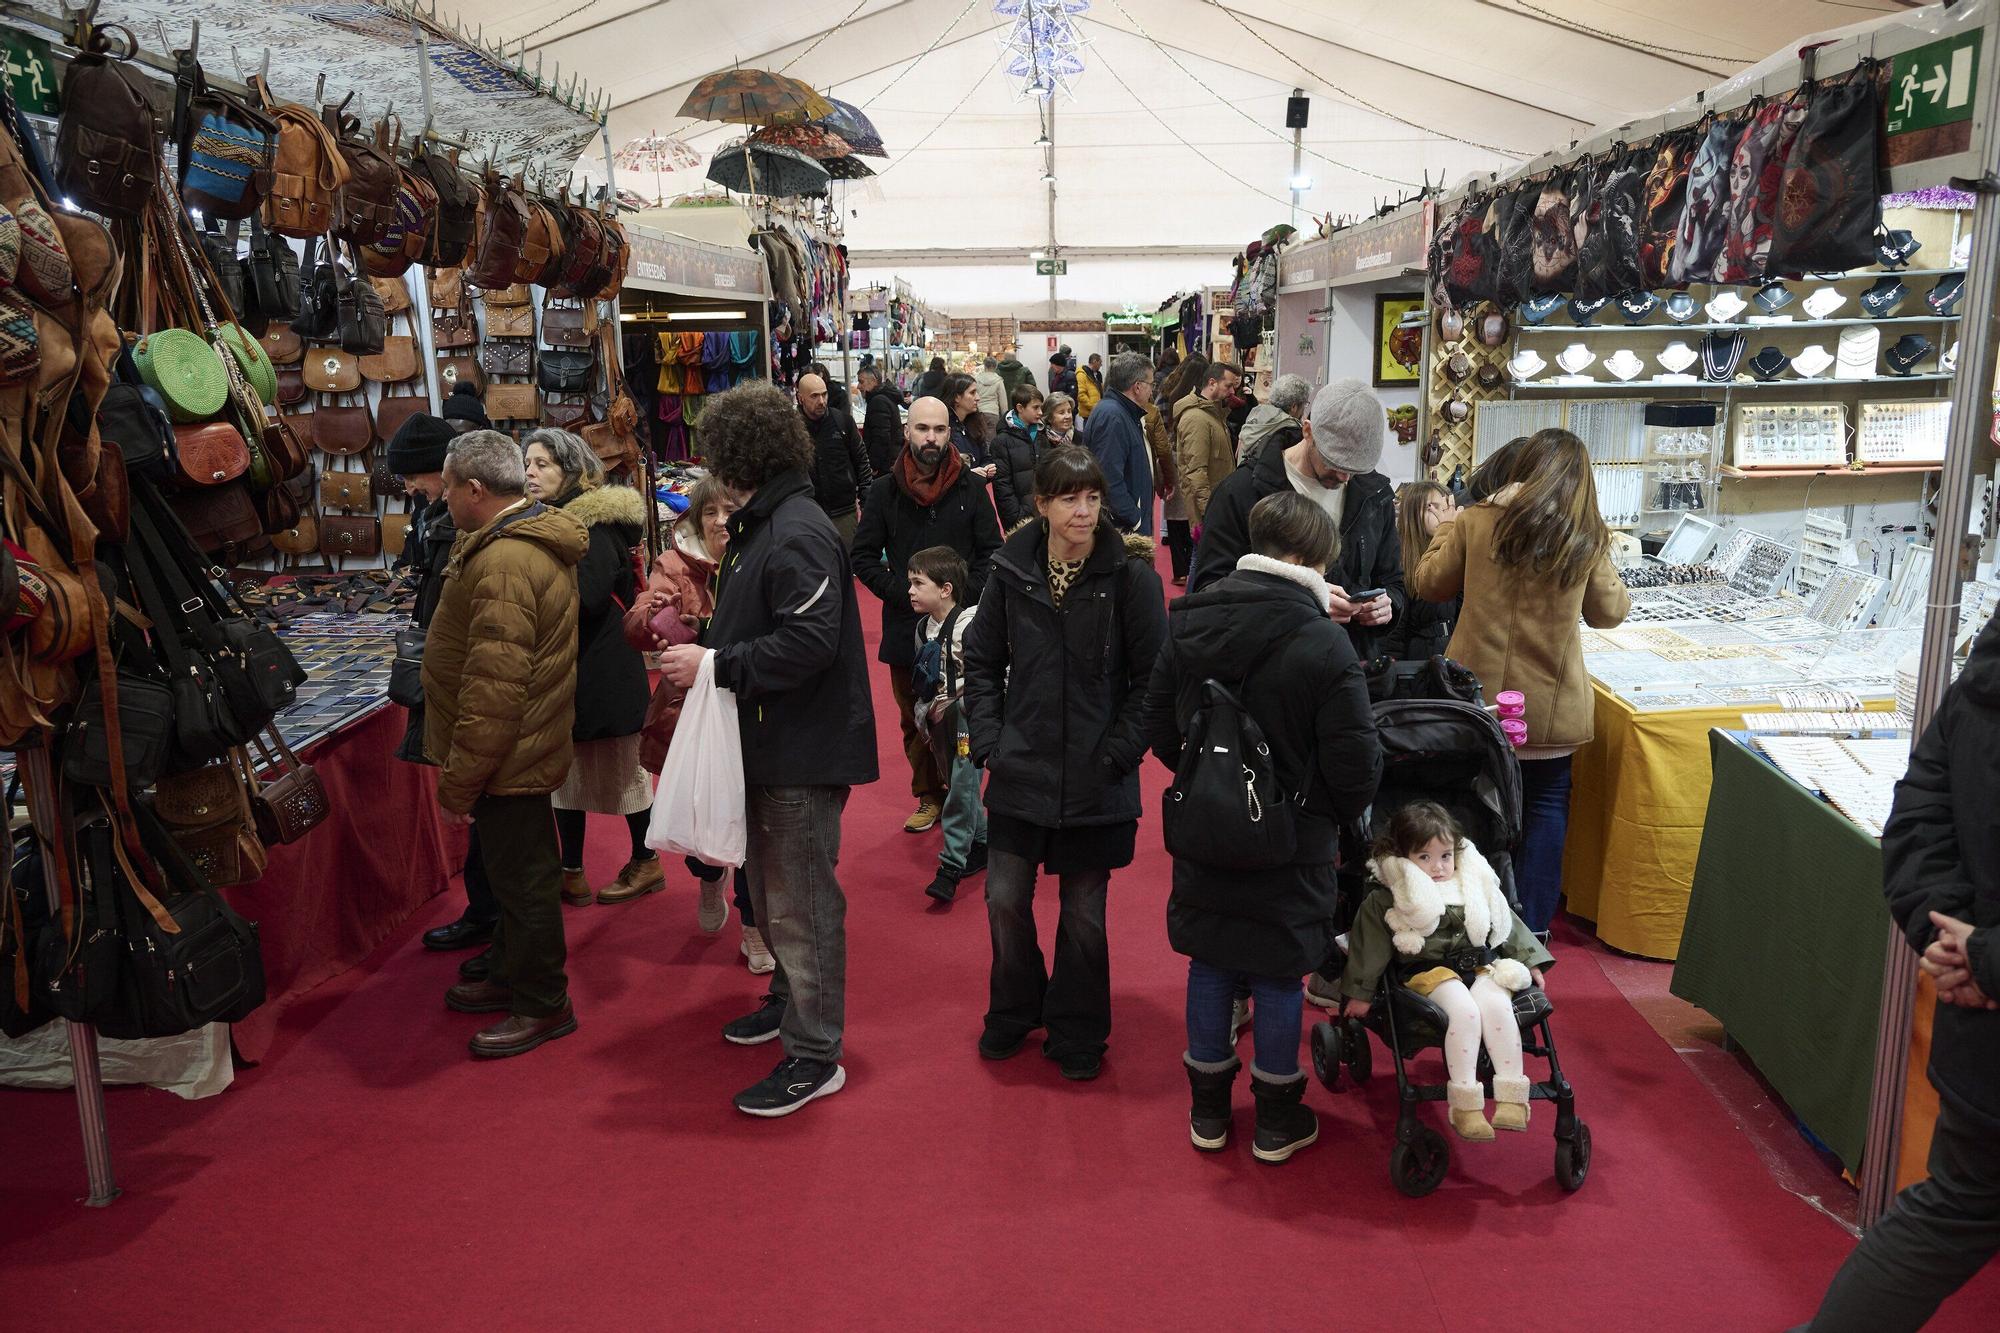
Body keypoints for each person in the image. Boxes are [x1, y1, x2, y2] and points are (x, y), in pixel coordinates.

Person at [657, 383, 878, 1117]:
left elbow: (809, 643)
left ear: (736, 457)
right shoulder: (769, 522)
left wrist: (716, 665)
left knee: (800, 903)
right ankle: (790, 1005)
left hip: (801, 748)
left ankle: (815, 1051)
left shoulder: (796, 531)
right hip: (772, 740)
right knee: (778, 893)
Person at [1143, 492, 1381, 1163]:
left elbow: (1158, 720)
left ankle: (1209, 1113)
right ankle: (1277, 1120)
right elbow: (1356, 763)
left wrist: (1201, 778)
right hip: (1294, 834)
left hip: (1205, 819)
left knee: (1211, 958)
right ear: (1310, 558)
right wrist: (1314, 811)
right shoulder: (1323, 639)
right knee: (1279, 972)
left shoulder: (1189, 616)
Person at [1790, 615, 2000, 1332]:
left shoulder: (1983, 673)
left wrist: (1954, 941)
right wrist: (1976, 954)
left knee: (1948, 1212)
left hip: (1980, 1034)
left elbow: (1917, 816)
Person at [962, 446, 1166, 1082]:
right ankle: (1017, 1005)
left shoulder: (1131, 577)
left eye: (1093, 498)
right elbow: (980, 660)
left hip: (1096, 775)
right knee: (1003, 898)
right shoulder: (1010, 571)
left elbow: (1155, 680)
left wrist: (1120, 751)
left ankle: (1078, 1025)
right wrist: (990, 741)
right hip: (1021, 766)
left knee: (1083, 912)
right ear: (1042, 505)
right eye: (1070, 499)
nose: (1084, 511)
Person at [1412, 427, 1630, 935]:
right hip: (1552, 707)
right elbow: (1610, 613)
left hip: (1477, 699)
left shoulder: (1477, 520)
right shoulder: (1585, 536)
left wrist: (1447, 528)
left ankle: (1464, 922)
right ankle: (1530, 931)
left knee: (1467, 807)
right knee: (1546, 809)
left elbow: (1429, 584)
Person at [425, 431, 587, 1059]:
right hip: (517, 747)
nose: (441, 497)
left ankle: (544, 1003)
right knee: (516, 873)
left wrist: (460, 780)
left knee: (525, 881)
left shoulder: (503, 561)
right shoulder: (508, 545)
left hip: (509, 752)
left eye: (446, 485)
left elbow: (495, 687)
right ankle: (513, 974)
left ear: (474, 489)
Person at [623, 475, 773, 972]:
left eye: (730, 510)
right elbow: (638, 622)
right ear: (697, 518)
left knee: (753, 825)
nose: (721, 521)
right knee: (697, 819)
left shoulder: (758, 555)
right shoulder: (674, 565)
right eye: (711, 511)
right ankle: (709, 878)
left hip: (749, 708)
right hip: (688, 713)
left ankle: (752, 925)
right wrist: (653, 616)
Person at [1340, 802, 1554, 1141]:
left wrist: (1530, 959)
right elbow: (1371, 948)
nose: (1438, 867)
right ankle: (1465, 1103)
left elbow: (1506, 921)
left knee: (1498, 1005)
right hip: (1429, 972)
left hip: (1480, 964)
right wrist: (1361, 993)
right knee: (1465, 1011)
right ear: (1402, 857)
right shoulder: (1390, 895)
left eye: (1445, 855)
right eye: (1424, 857)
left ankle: (1513, 1096)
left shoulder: (1472, 883)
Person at [853, 395, 1003, 834]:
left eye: (939, 429)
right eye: (923, 429)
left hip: (966, 630)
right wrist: (904, 594)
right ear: (907, 431)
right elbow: (862, 557)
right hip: (906, 627)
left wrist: (957, 602)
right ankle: (928, 796)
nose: (932, 438)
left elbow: (992, 554)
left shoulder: (971, 489)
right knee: (914, 717)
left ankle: (964, 797)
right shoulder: (882, 492)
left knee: (965, 717)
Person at [519, 428, 655, 910]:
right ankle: (572, 870)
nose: (531, 473)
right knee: (566, 774)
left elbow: (588, 596)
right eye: (528, 464)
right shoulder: (554, 521)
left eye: (543, 464)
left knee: (624, 772)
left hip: (603, 668)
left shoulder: (590, 526)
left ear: (570, 471)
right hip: (577, 666)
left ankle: (646, 860)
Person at [1192, 378, 1405, 662]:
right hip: (1270, 670)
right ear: (1307, 430)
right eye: (1335, 463)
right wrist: (1304, 602)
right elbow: (1210, 593)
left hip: (1351, 666)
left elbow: (1392, 580)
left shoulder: (1373, 494)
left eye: (1355, 469)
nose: (1344, 477)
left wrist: (1386, 607)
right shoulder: (1242, 491)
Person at [906, 545, 986, 905]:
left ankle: (950, 867)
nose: (909, 591)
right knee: (956, 782)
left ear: (946, 588)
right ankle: (983, 842)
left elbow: (995, 673)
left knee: (962, 788)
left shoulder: (970, 625)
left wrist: (959, 700)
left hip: (967, 720)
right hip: (938, 722)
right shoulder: (924, 627)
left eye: (917, 583)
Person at [1081, 350, 1157, 537]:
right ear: (1137, 386)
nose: (1152, 390)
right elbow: (1108, 478)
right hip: (1124, 529)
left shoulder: (1121, 412)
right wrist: (1135, 519)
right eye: (1151, 384)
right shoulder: (1113, 416)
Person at [1384, 481, 1460, 662]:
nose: (1441, 514)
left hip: (1455, 655)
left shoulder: (1454, 554)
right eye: (1431, 507)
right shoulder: (1400, 560)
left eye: (1445, 507)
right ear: (1412, 513)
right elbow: (1394, 634)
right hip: (1418, 662)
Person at [796, 372, 871, 545]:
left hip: (843, 513)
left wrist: (867, 501)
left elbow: (861, 462)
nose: (821, 401)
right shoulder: (791, 428)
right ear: (801, 399)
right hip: (807, 513)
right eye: (814, 396)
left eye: (824, 394)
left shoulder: (843, 421)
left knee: (846, 564)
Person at [1155, 354, 1208, 585]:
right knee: (1191, 511)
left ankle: (1180, 570)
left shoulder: (1167, 392)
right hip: (1188, 452)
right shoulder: (1197, 400)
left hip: (1171, 453)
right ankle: (1190, 565)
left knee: (1175, 513)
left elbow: (1156, 422)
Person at [1172, 360, 1241, 534]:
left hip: (1216, 506)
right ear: (1212, 383)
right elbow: (1196, 472)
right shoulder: (1197, 419)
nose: (1232, 392)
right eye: (1228, 386)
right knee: (1200, 560)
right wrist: (1209, 511)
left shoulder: (1213, 414)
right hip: (1208, 512)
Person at [991, 381, 1045, 531]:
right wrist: (1017, 516)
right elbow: (1002, 485)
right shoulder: (1002, 442)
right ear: (1020, 408)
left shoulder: (1042, 435)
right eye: (1035, 407)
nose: (1041, 412)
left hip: (1044, 510)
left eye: (1041, 407)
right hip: (1020, 518)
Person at [1238, 372, 1312, 467]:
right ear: (1294, 407)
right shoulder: (1291, 433)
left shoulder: (1255, 415)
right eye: (1304, 405)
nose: (1304, 409)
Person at [856, 365, 908, 482]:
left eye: (861, 382)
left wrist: (873, 465)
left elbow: (881, 438)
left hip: (884, 466)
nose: (859, 386)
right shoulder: (884, 398)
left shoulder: (878, 401)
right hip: (889, 462)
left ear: (873, 381)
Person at [942, 371, 995, 475]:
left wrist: (987, 468)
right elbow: (942, 469)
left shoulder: (975, 423)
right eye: (972, 393)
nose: (978, 398)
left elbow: (986, 457)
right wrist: (969, 473)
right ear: (957, 397)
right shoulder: (942, 428)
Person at [973, 356, 1007, 440]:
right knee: (991, 439)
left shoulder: (976, 379)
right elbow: (1003, 401)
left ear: (984, 366)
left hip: (979, 411)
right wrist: (1005, 416)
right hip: (993, 412)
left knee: (979, 438)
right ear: (995, 366)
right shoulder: (998, 381)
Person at [1075, 352, 1102, 420]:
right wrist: (1092, 407)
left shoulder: (1097, 375)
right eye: (1100, 362)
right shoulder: (1081, 375)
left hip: (1097, 412)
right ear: (1094, 361)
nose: (1101, 365)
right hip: (1089, 414)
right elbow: (1080, 395)